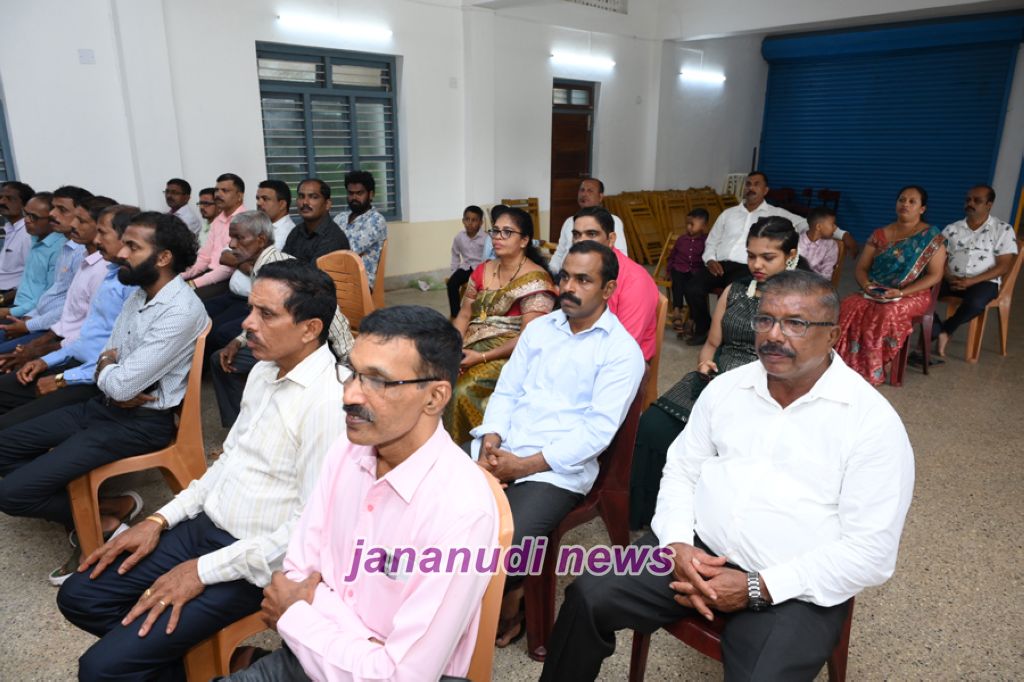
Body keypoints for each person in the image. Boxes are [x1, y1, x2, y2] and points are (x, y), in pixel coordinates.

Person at [541, 270, 915, 682]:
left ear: (833, 335)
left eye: (795, 323)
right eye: (765, 319)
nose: (774, 335)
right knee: (588, 596)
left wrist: (759, 586)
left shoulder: (870, 422)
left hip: (794, 585)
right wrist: (677, 544)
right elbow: (681, 469)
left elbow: (871, 552)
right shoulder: (727, 388)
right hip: (696, 548)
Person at [57, 259, 345, 681]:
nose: (247, 323)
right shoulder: (264, 371)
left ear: (310, 329)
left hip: (256, 560)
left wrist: (201, 571)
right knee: (80, 596)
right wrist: (158, 519)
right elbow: (228, 461)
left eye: (266, 314)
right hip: (206, 528)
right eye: (250, 308)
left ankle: (171, 661)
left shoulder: (329, 402)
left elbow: (308, 531)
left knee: (99, 669)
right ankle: (203, 666)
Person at [222, 305, 498, 682]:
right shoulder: (349, 448)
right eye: (352, 372)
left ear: (434, 397)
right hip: (306, 658)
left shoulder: (460, 511)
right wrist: (367, 644)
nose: (350, 394)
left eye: (378, 381)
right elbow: (296, 572)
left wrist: (301, 613)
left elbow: (401, 677)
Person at [0, 211, 207, 584]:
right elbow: (107, 359)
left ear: (163, 257)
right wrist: (113, 374)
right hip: (102, 407)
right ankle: (108, 513)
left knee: (11, 494)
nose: (120, 253)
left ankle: (98, 522)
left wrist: (113, 374)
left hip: (142, 423)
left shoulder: (180, 309)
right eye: (123, 243)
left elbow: (119, 380)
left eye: (132, 246)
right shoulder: (140, 293)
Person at [471, 241, 645, 647]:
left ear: (608, 289)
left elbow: (595, 434)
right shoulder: (540, 330)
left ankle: (505, 600)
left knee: (503, 546)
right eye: (565, 276)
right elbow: (506, 391)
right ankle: (472, 602)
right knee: (436, 511)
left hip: (555, 469)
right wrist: (490, 442)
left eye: (583, 280)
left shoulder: (621, 352)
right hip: (505, 448)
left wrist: (522, 466)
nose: (568, 287)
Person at [629, 216, 802, 529]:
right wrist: (704, 364)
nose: (756, 265)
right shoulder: (736, 290)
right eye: (751, 256)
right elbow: (711, 344)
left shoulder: (803, 301)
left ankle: (705, 520)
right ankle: (650, 513)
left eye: (768, 257)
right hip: (716, 379)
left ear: (791, 256)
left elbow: (802, 363)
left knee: (722, 444)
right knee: (652, 426)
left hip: (767, 389)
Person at [0, 206, 137, 430]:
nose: (73, 224)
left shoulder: (119, 279)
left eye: (102, 232)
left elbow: (114, 354)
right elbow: (86, 335)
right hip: (74, 359)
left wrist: (62, 377)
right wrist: (46, 360)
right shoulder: (108, 271)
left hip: (91, 376)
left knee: (9, 428)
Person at [212, 215, 353, 428]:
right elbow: (260, 316)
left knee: (247, 365)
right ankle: (245, 427)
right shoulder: (261, 268)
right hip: (283, 342)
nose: (231, 244)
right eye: (231, 238)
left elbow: (330, 313)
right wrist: (238, 341)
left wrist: (348, 363)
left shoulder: (284, 272)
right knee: (222, 359)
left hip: (307, 349)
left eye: (239, 238)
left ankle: (258, 424)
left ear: (260, 240)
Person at [685, 172, 856, 345]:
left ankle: (730, 336)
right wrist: (710, 260)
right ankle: (704, 329)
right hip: (718, 264)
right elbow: (712, 241)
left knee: (737, 296)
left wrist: (843, 234)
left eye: (756, 184)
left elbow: (812, 224)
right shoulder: (728, 214)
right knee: (692, 288)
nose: (751, 188)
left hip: (749, 266)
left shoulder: (777, 213)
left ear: (766, 190)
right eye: (748, 184)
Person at [443, 206, 556, 445]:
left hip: (511, 355)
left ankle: (473, 450)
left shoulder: (536, 280)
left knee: (462, 390)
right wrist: (454, 348)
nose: (497, 237)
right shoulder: (483, 269)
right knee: (434, 375)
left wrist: (481, 357)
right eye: (495, 231)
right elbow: (464, 315)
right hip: (471, 346)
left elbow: (528, 338)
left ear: (524, 240)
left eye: (507, 232)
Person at [836, 185, 946, 385]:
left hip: (912, 294)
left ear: (922, 209)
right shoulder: (880, 234)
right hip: (876, 291)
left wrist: (901, 293)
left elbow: (935, 275)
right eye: (902, 200)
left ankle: (874, 367)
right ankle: (843, 365)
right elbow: (861, 268)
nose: (905, 204)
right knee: (849, 305)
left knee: (887, 312)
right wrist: (867, 286)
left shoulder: (931, 237)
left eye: (912, 201)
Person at [0, 196, 118, 367]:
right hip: (49, 327)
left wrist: (38, 347)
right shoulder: (80, 255)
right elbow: (56, 299)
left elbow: (87, 333)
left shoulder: (101, 267)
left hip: (71, 345)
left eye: (62, 210)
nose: (53, 215)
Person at [933, 185, 1018, 357]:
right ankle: (934, 329)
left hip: (984, 282)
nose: (970, 203)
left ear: (989, 205)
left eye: (977, 200)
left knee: (976, 303)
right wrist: (948, 276)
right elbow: (939, 258)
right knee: (920, 292)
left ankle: (944, 330)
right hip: (951, 278)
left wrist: (971, 281)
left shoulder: (1003, 229)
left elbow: (1003, 266)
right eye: (968, 200)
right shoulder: (952, 229)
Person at [570, 206, 659, 360]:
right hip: (583, 347)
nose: (581, 241)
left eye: (591, 234)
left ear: (611, 239)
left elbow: (624, 345)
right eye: (577, 235)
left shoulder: (635, 280)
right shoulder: (577, 270)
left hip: (622, 361)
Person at [0, 193, 65, 336]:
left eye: (33, 217)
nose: (26, 220)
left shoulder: (59, 249)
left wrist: (10, 311)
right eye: (26, 214)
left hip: (32, 313)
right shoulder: (34, 237)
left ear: (53, 220)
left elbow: (48, 296)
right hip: (18, 306)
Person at [183, 173, 246, 297]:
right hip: (210, 273)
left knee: (187, 297)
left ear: (239, 196)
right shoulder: (218, 220)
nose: (218, 194)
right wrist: (181, 276)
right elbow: (204, 257)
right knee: (174, 288)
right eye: (217, 190)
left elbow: (228, 268)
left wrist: (194, 283)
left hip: (228, 278)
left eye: (225, 191)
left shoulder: (245, 220)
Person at [549, 177, 629, 274]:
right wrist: (550, 273)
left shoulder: (612, 221)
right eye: (582, 190)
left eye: (590, 191)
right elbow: (559, 253)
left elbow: (621, 256)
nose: (584, 194)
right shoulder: (569, 221)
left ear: (600, 197)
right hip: (565, 274)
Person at [334, 169, 388, 289]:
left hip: (361, 282)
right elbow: (326, 243)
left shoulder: (376, 220)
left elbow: (349, 252)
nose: (354, 197)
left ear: (371, 194)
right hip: (336, 275)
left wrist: (333, 249)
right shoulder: (340, 217)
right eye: (350, 193)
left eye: (359, 193)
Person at [283, 177, 349, 264]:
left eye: (313, 197)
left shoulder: (333, 238)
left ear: (327, 204)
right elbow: (281, 264)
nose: (305, 202)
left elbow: (313, 272)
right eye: (301, 196)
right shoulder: (296, 232)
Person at [666, 208, 707, 336]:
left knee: (692, 289)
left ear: (703, 226)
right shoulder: (681, 239)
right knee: (677, 282)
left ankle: (691, 319)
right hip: (679, 268)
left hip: (695, 271)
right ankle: (677, 309)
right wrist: (668, 271)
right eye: (687, 224)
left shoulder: (706, 241)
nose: (689, 227)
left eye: (692, 224)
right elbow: (672, 256)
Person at [446, 205, 488, 317]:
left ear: (481, 222)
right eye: (467, 219)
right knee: (451, 284)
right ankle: (456, 315)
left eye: (474, 220)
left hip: (481, 269)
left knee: (481, 289)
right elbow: (455, 254)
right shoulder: (459, 237)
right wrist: (454, 271)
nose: (470, 223)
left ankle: (480, 316)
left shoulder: (486, 239)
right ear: (463, 221)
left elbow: (489, 257)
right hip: (466, 268)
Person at [0, 180, 35, 299]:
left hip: (13, 298)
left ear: (25, 205)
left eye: (9, 198)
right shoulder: (10, 229)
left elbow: (34, 279)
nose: (2, 202)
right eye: (1, 197)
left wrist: (4, 299)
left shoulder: (28, 234)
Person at [799, 206, 840, 279]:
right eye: (832, 224)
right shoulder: (796, 241)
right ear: (818, 227)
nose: (835, 228)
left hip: (816, 283)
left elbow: (827, 274)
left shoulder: (831, 245)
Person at [255, 179, 296, 249]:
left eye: (265, 199)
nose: (259, 203)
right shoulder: (261, 226)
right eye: (258, 198)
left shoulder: (287, 234)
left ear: (282, 205)